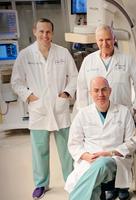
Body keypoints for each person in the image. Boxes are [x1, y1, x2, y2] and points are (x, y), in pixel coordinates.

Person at [11, 18, 78, 199]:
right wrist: (29, 96)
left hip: (60, 108)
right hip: (39, 110)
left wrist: (66, 93)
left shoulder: (63, 53)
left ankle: (71, 182)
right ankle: (41, 184)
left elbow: (74, 76)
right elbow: (16, 82)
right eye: (41, 31)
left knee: (67, 150)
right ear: (35, 31)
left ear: (52, 33)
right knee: (39, 151)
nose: (45, 35)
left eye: (48, 32)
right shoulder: (25, 55)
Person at [65, 76, 136, 200]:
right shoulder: (83, 114)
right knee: (92, 187)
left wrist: (110, 153)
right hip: (89, 160)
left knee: (102, 163)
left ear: (110, 90)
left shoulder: (123, 112)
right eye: (96, 90)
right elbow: (73, 143)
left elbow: (132, 142)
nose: (100, 94)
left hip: (114, 160)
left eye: (104, 90)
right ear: (90, 93)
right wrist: (86, 156)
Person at [76, 24, 136, 114]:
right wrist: (83, 111)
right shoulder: (88, 61)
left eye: (108, 39)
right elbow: (81, 88)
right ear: (96, 41)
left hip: (122, 113)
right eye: (101, 40)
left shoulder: (127, 60)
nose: (105, 44)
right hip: (95, 114)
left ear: (114, 39)